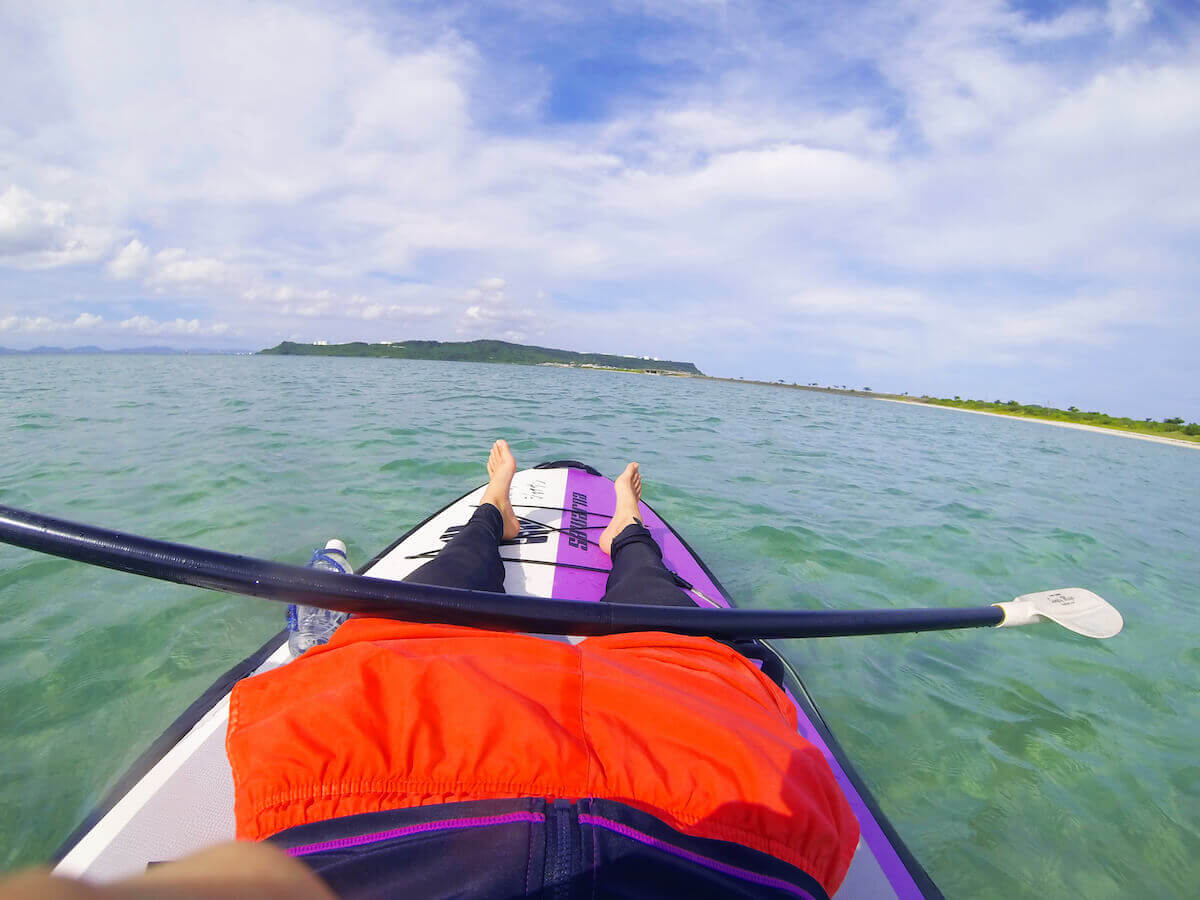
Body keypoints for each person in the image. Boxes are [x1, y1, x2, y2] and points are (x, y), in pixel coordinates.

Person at [6, 442, 859, 899]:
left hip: (394, 763)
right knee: (662, 618)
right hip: (709, 792)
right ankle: (620, 533)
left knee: (451, 591)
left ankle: (496, 509)